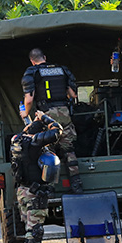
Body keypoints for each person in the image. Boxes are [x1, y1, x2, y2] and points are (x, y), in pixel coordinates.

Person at [21, 48, 83, 193]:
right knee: (68, 150)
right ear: (45, 57)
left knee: (48, 150)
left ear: (32, 60)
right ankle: (77, 185)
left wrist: (25, 113)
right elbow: (73, 95)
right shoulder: (62, 70)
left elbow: (29, 98)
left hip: (46, 114)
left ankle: (51, 188)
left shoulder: (33, 72)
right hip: (64, 112)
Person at [10, 113, 61, 243]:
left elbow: (26, 131)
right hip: (34, 192)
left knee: (30, 229)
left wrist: (32, 124)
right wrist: (45, 118)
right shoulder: (34, 143)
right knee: (35, 230)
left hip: (23, 190)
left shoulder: (17, 140)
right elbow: (57, 131)